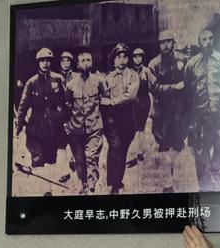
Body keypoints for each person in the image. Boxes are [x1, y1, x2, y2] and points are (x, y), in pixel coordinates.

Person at [184, 28, 220, 190]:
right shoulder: (192, 64)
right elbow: (188, 89)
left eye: (210, 39)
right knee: (200, 148)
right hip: (200, 113)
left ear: (214, 40)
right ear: (199, 43)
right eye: (204, 40)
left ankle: (216, 175)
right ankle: (204, 182)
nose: (208, 42)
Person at [147, 30, 187, 193]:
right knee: (163, 145)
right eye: (162, 42)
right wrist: (174, 87)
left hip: (179, 111)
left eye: (168, 41)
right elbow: (154, 87)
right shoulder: (153, 64)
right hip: (162, 112)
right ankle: (167, 184)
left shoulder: (183, 59)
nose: (165, 45)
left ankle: (168, 168)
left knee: (179, 144)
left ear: (173, 42)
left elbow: (189, 82)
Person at [15, 47, 68, 169]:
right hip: (35, 129)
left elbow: (66, 102)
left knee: (51, 161)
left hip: (53, 129)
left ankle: (48, 180)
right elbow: (23, 106)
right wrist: (19, 125)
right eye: (42, 60)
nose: (45, 63)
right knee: (38, 160)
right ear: (38, 62)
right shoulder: (31, 82)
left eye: (48, 60)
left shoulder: (58, 79)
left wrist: (65, 121)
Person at [64, 51, 107, 195]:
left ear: (92, 63)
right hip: (76, 129)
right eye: (83, 61)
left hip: (94, 127)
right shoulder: (71, 85)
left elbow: (104, 100)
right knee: (79, 159)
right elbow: (67, 106)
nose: (86, 63)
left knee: (91, 157)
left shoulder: (99, 81)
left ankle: (92, 187)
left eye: (89, 60)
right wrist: (67, 126)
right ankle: (83, 185)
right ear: (77, 64)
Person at [100, 43, 140, 194]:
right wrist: (106, 103)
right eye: (119, 57)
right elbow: (102, 97)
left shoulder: (133, 75)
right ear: (114, 60)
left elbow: (130, 96)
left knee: (122, 151)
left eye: (125, 57)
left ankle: (117, 182)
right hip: (112, 119)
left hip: (128, 118)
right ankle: (112, 183)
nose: (122, 60)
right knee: (115, 146)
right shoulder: (107, 77)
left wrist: (112, 101)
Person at [129, 46, 152, 167]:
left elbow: (152, 86)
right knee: (131, 127)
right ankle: (131, 153)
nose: (137, 59)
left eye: (139, 56)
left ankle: (139, 153)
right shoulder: (129, 72)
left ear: (142, 58)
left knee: (141, 128)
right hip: (132, 103)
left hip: (143, 102)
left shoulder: (147, 71)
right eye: (135, 57)